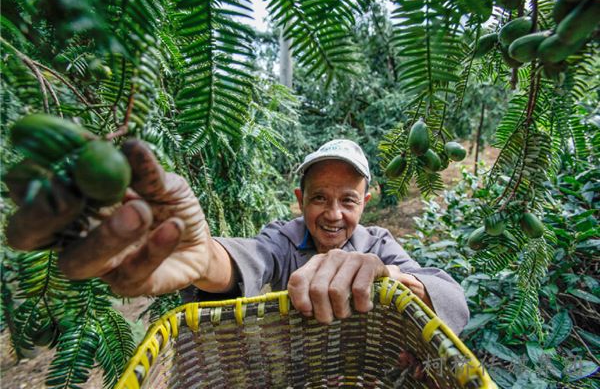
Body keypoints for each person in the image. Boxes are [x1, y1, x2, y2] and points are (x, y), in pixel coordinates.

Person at [6, 138, 468, 334]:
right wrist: (200, 257)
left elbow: (452, 299)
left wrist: (387, 274)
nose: (332, 214)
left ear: (365, 202)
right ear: (298, 199)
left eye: (347, 200)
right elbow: (248, 260)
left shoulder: (380, 243)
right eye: (318, 198)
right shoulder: (284, 239)